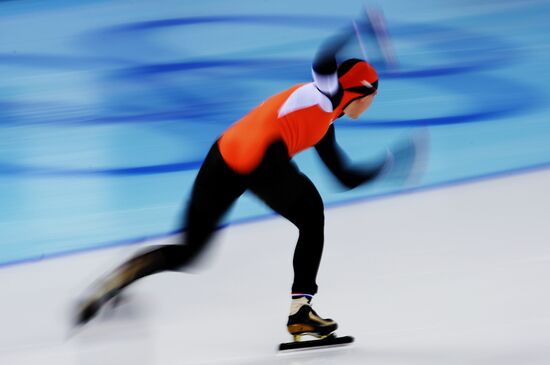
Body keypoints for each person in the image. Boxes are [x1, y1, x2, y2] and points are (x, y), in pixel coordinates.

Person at [75, 24, 390, 341]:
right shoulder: (326, 93)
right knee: (311, 215)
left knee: (190, 253)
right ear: (360, 93)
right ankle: (300, 311)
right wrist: (356, 29)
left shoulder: (326, 123)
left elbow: (343, 176)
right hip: (260, 159)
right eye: (374, 95)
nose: (373, 102)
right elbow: (325, 59)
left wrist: (385, 165)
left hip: (224, 155)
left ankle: (119, 277)